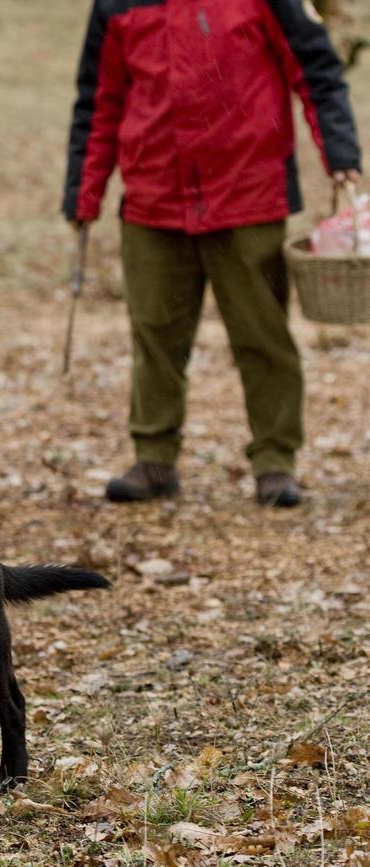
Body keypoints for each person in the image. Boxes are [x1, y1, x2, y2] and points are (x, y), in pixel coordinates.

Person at [63, 0, 362, 507]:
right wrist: (84, 190)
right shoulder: (116, 4)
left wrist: (341, 155)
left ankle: (275, 462)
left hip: (249, 192)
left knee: (262, 336)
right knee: (155, 333)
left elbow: (317, 70)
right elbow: (99, 99)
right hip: (152, 196)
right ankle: (154, 458)